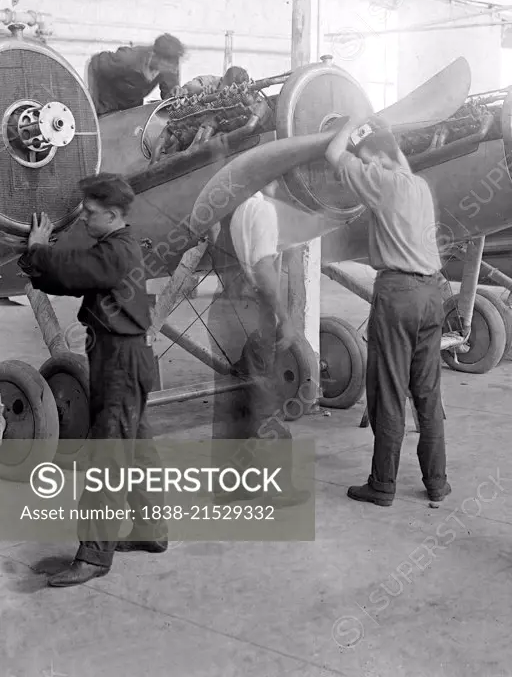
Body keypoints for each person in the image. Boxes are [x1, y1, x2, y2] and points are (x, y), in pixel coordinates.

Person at [18, 174, 167, 587]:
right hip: (123, 357)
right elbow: (70, 277)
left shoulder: (116, 252)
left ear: (114, 215)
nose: (82, 218)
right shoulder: (115, 248)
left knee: (108, 459)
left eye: (89, 212)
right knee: (137, 452)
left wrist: (37, 249)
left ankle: (94, 556)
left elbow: (71, 269)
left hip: (119, 362)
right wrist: (37, 261)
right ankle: (150, 531)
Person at [325, 115, 449, 508]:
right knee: (427, 395)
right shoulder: (419, 187)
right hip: (432, 295)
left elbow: (332, 154)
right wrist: (380, 133)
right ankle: (437, 483)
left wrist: (346, 126)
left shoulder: (380, 183)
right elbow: (395, 160)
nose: (366, 166)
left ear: (378, 156)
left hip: (398, 294)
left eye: (368, 158)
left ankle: (382, 485)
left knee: (391, 392)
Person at [205, 184, 310, 506]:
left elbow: (212, 246)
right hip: (253, 312)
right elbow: (264, 269)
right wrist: (285, 316)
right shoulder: (261, 208)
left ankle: (229, 485)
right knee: (265, 400)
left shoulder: (223, 208)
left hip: (223, 309)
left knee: (232, 400)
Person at [87, 33, 185, 116]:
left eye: (175, 64)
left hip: (131, 107)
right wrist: (91, 106)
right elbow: (94, 64)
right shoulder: (127, 59)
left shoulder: (170, 66)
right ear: (156, 57)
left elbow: (169, 93)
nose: (174, 69)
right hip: (106, 104)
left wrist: (174, 92)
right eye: (169, 64)